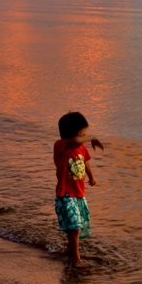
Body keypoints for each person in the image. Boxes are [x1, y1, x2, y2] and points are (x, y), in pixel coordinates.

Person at [53, 111, 105, 267]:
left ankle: (69, 250)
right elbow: (75, 140)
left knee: (79, 225)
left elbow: (86, 161)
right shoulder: (60, 146)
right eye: (83, 134)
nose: (85, 138)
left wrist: (91, 176)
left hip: (79, 194)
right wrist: (93, 138)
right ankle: (76, 260)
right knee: (75, 226)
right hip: (66, 195)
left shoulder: (81, 148)